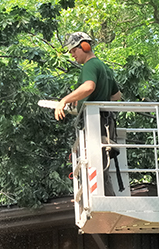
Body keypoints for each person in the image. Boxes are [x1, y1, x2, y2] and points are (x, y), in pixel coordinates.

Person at [55, 32, 123, 196]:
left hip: (96, 123)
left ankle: (106, 202)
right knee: (102, 165)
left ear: (84, 47)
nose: (72, 55)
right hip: (106, 121)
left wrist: (64, 100)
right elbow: (116, 95)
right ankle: (108, 199)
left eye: (73, 51)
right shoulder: (104, 67)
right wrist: (84, 102)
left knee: (96, 165)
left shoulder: (90, 65)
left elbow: (88, 87)